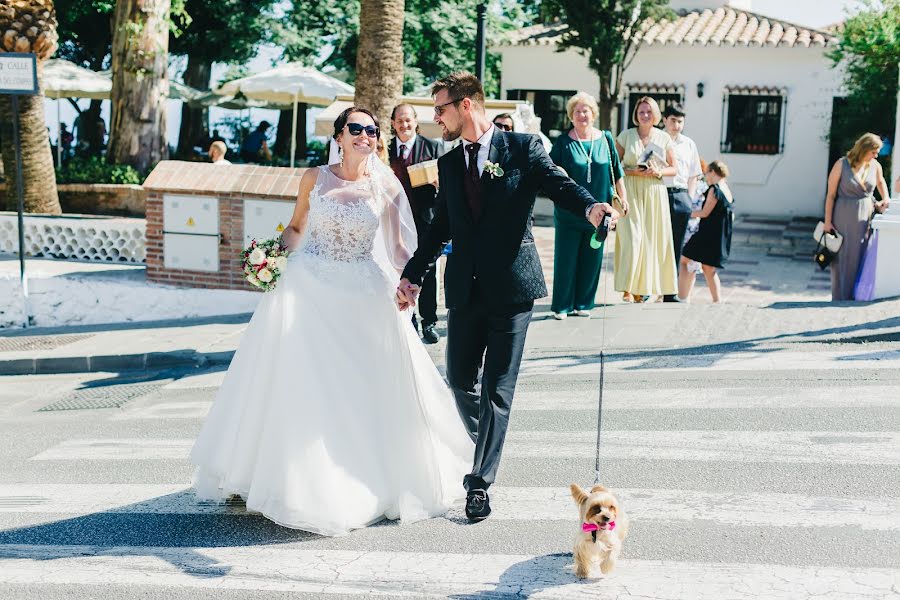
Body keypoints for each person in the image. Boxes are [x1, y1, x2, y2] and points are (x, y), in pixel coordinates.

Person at [190, 107, 473, 536]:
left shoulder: (385, 184)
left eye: (372, 130)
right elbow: (297, 228)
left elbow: (402, 248)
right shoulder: (314, 178)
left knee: (361, 386)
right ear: (339, 136)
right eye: (356, 128)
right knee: (302, 385)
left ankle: (358, 474)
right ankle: (284, 477)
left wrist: (408, 285)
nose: (365, 135)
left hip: (364, 292)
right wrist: (269, 257)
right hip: (309, 288)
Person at [397, 72, 617, 522]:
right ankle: (488, 445)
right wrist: (412, 276)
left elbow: (559, 185)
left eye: (440, 108)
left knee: (498, 389)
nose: (435, 117)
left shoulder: (523, 148)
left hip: (514, 288)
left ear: (467, 105)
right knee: (460, 381)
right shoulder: (449, 163)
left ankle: (479, 483)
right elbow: (440, 228)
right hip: (465, 289)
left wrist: (593, 206)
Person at [548, 91, 627, 319]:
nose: (582, 115)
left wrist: (624, 198)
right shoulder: (563, 142)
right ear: (571, 116)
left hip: (601, 212)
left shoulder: (605, 139)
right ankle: (561, 306)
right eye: (577, 111)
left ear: (593, 114)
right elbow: (552, 172)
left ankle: (584, 304)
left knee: (592, 258)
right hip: (569, 212)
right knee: (566, 259)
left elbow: (617, 172)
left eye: (586, 111)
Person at [389, 103, 444, 343]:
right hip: (393, 219)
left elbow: (447, 186)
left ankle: (429, 322)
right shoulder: (384, 150)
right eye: (399, 120)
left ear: (415, 122)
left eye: (408, 120)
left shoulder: (433, 147)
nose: (404, 125)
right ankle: (406, 319)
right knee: (397, 268)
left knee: (427, 271)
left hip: (424, 219)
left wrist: (438, 184)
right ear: (393, 123)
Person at [614, 96, 678, 303]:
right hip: (630, 192)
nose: (645, 115)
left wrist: (658, 171)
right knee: (632, 239)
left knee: (650, 241)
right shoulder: (626, 136)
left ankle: (641, 289)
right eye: (641, 111)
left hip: (654, 193)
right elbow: (612, 165)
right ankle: (627, 286)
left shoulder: (663, 138)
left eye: (649, 111)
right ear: (636, 114)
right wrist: (630, 170)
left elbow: (674, 168)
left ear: (656, 114)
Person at [824, 133, 891, 301]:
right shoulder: (841, 164)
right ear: (864, 149)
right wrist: (827, 222)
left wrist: (886, 199)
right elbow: (830, 195)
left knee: (861, 256)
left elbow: (881, 182)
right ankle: (839, 297)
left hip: (865, 219)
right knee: (841, 257)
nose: (876, 156)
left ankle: (856, 296)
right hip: (842, 217)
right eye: (874, 152)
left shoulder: (875, 166)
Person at [661, 103, 702, 302]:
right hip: (659, 194)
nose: (676, 125)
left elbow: (694, 173)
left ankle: (670, 292)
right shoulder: (656, 140)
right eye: (673, 120)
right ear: (664, 120)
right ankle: (648, 291)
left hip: (681, 196)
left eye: (680, 121)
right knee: (657, 243)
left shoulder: (689, 144)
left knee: (676, 246)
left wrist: (690, 199)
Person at [680, 161, 734, 303]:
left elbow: (704, 212)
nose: (706, 176)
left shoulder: (714, 189)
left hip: (708, 235)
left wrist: (686, 214)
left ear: (713, 172)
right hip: (718, 235)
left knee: (685, 259)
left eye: (707, 173)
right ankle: (717, 301)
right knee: (708, 269)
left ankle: (683, 297)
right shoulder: (726, 188)